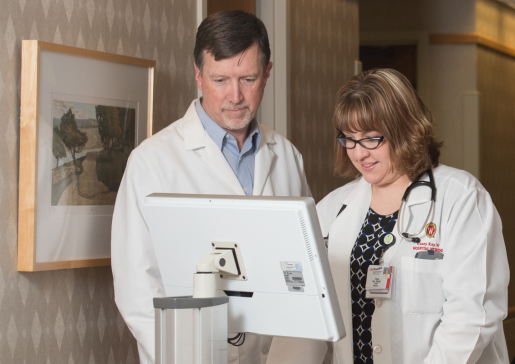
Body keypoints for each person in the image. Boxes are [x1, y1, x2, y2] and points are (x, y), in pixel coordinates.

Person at [111, 10, 313, 364]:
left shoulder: (288, 157)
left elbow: (306, 271)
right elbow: (136, 288)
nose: (235, 95)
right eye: (220, 80)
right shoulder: (152, 162)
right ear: (198, 77)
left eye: (248, 78)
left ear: (267, 74)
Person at [317, 68, 510, 364]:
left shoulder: (461, 197)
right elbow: (312, 310)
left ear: (405, 130)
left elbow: (471, 316)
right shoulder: (333, 208)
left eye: (371, 138)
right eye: (349, 139)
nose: (359, 154)